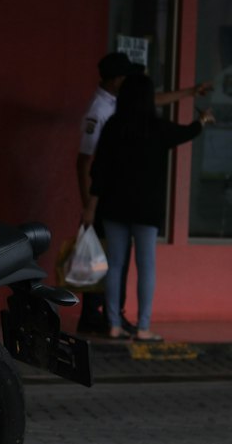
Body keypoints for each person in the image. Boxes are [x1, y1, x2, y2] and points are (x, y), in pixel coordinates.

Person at [75, 52, 212, 334]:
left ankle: (113, 323)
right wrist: (203, 121)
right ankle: (144, 327)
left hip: (113, 207)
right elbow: (186, 133)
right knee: (145, 266)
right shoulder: (155, 127)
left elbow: (98, 169)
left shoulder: (114, 124)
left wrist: (91, 204)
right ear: (115, 79)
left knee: (113, 266)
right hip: (146, 210)